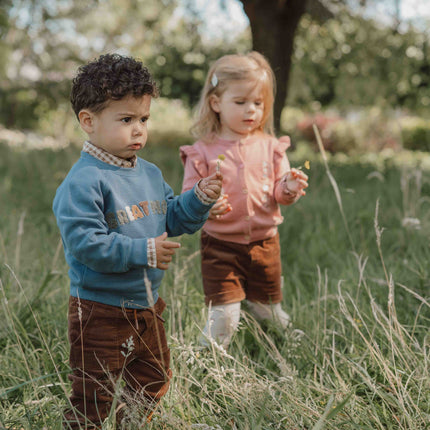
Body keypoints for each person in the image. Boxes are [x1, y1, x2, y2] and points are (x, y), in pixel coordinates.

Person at [53, 53, 222, 429]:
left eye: (144, 119)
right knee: (93, 397)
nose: (138, 130)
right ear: (88, 121)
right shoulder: (84, 182)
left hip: (146, 307)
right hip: (98, 311)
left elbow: (173, 218)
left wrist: (200, 198)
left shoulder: (149, 172)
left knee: (154, 380)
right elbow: (86, 245)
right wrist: (143, 251)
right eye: (126, 119)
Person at [180, 51, 308, 349]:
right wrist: (206, 205)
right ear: (216, 103)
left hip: (265, 244)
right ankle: (202, 360)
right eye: (240, 102)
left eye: (258, 103)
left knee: (267, 309)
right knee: (225, 317)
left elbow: (280, 193)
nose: (251, 110)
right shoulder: (202, 152)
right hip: (220, 246)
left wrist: (288, 186)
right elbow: (188, 196)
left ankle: (292, 342)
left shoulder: (271, 147)